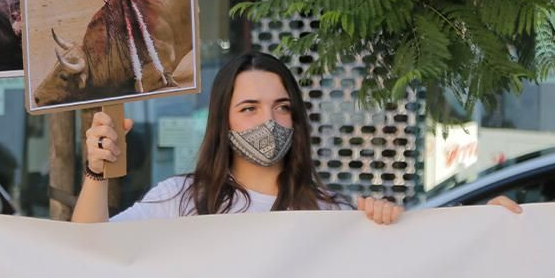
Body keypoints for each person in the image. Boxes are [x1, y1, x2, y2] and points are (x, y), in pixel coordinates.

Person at [71, 52, 403, 225]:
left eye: (281, 107)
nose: (269, 121)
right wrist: (97, 171)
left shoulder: (332, 211)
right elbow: (92, 246)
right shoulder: (180, 199)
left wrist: (383, 225)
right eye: (249, 108)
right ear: (223, 120)